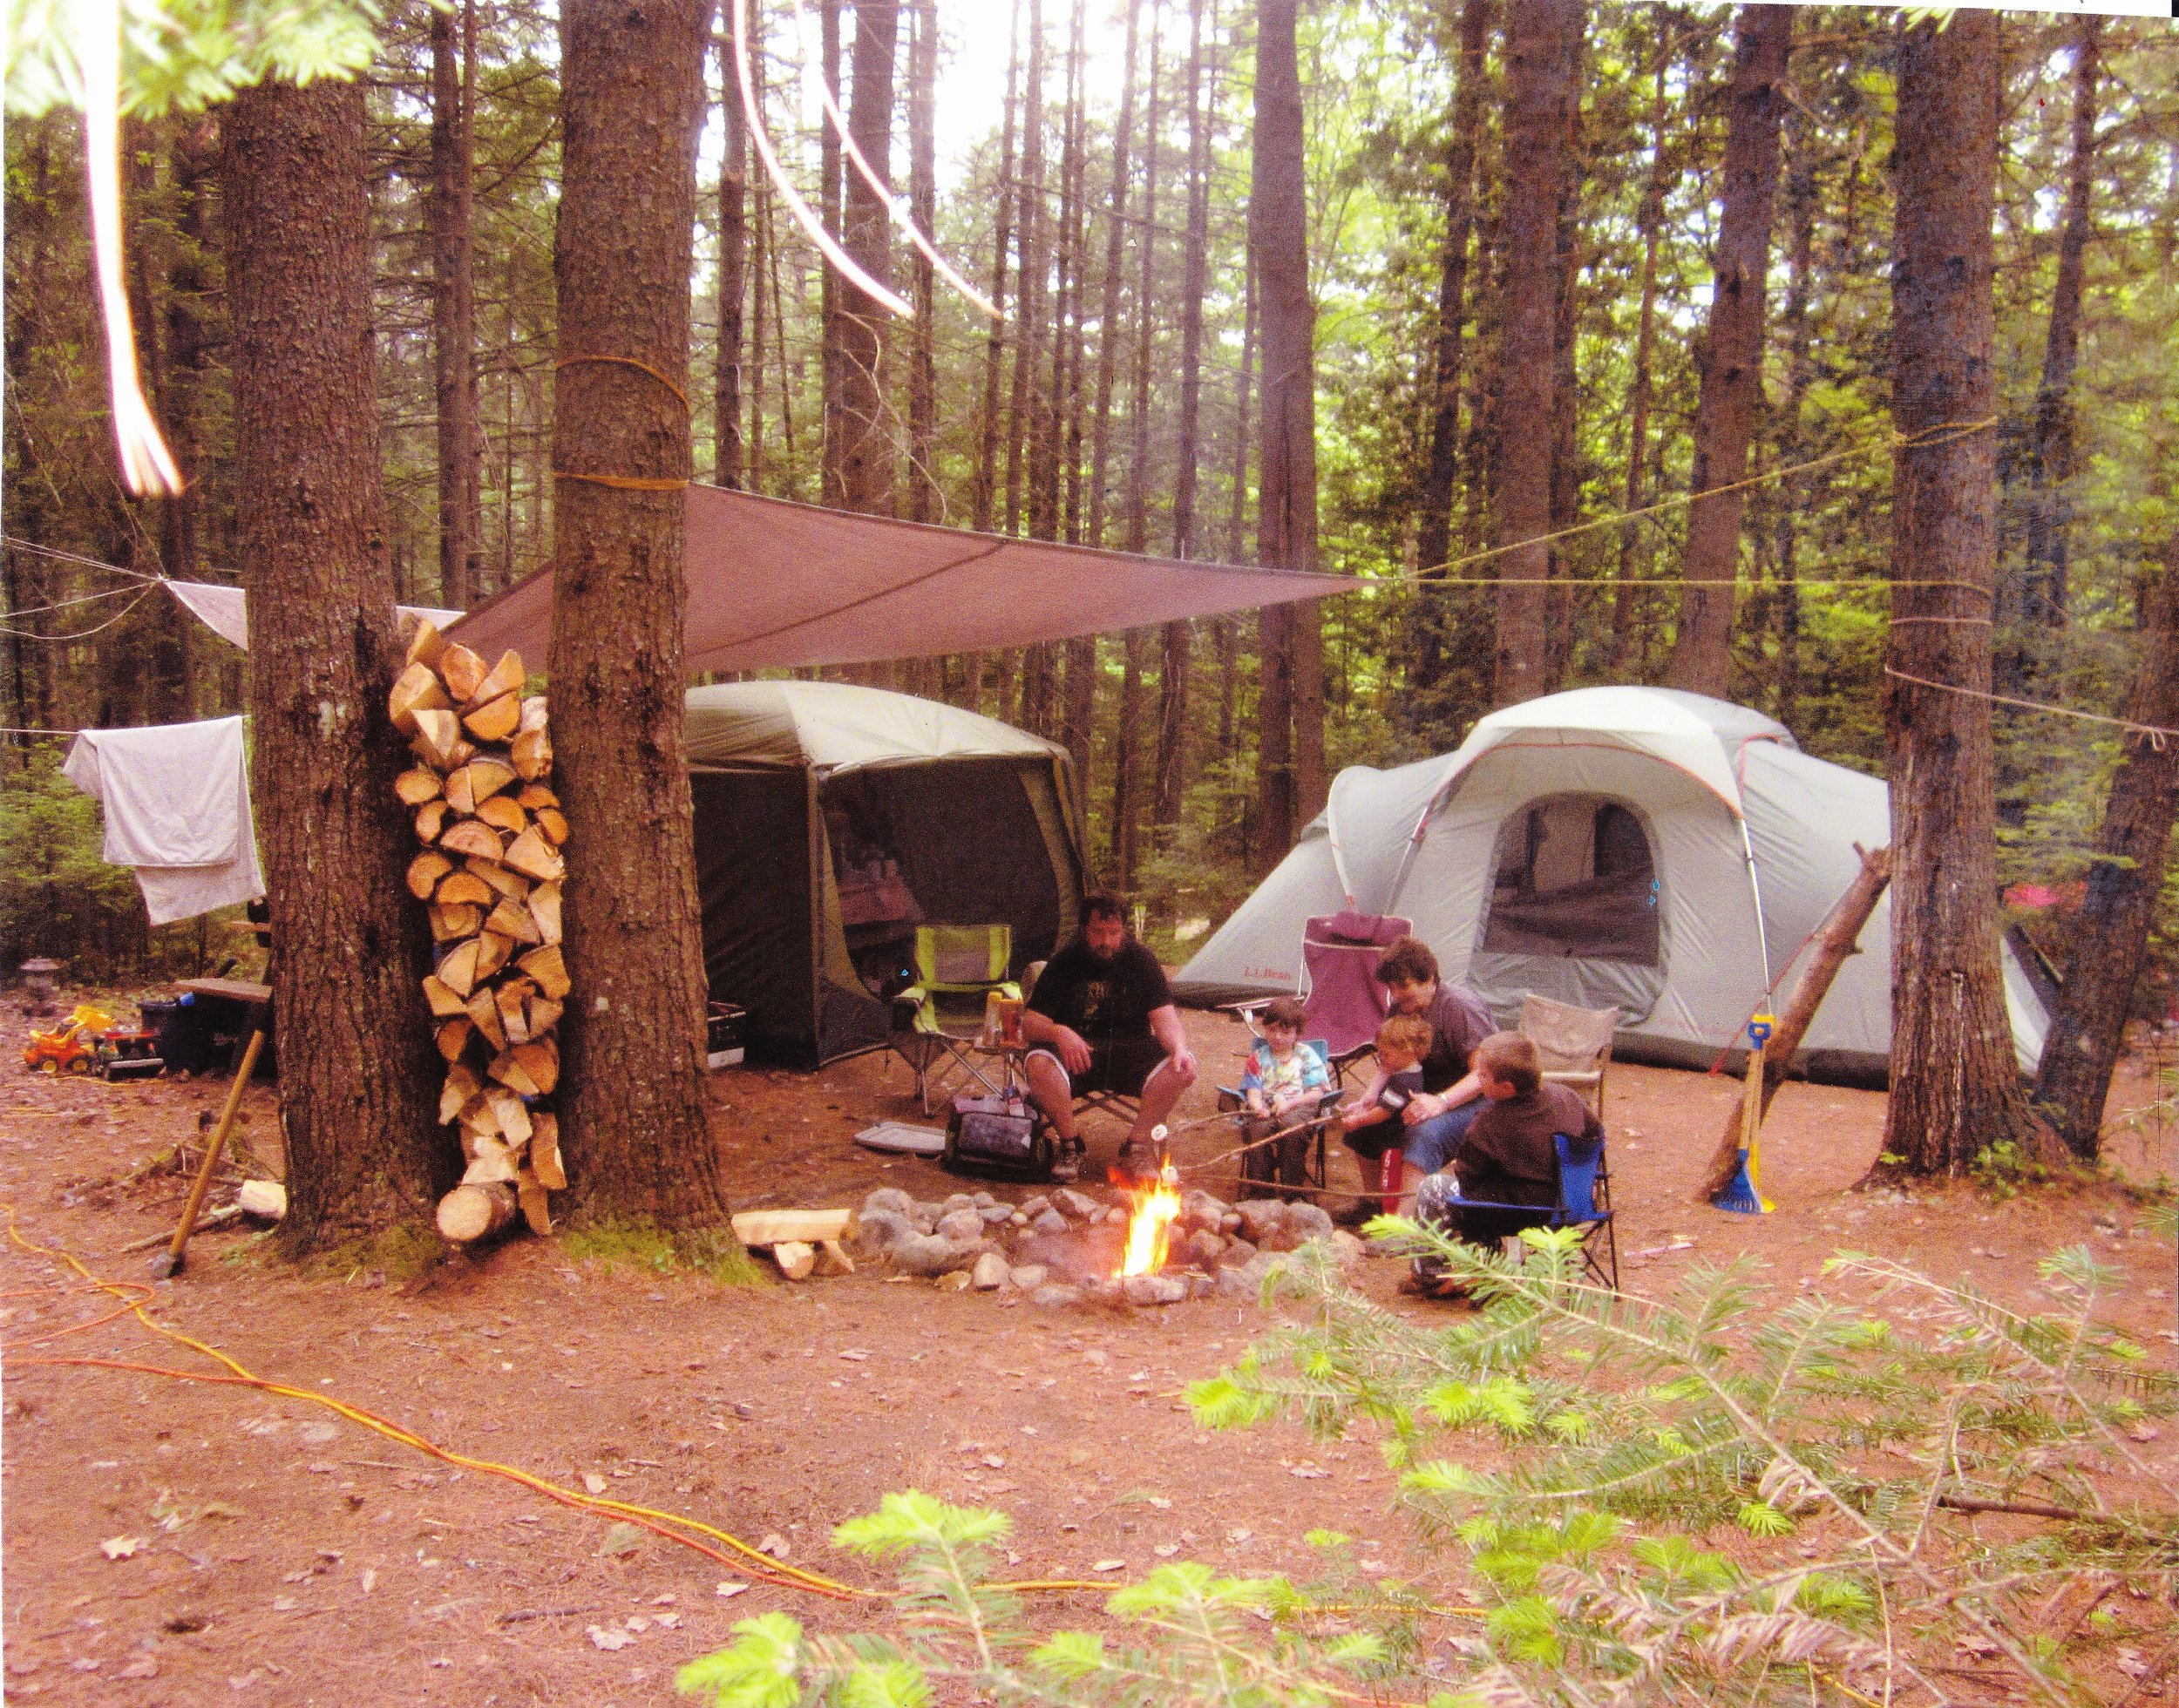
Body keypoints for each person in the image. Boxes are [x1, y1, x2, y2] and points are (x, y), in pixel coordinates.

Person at [1021, 891, 1199, 1182]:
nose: (1106, 941)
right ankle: (1070, 1144)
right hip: (1078, 1056)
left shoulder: (1142, 961)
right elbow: (1030, 1024)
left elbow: (1165, 1019)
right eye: (1098, 932)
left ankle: (1137, 1146)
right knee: (1038, 1062)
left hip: (1130, 1054)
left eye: (1114, 933)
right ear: (1083, 930)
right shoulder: (1065, 962)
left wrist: (1179, 1048)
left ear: (1124, 931)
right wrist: (1059, 1031)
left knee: (1184, 1067)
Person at [1410, 1031, 1599, 1298]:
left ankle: (1431, 1276)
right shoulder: (1567, 1098)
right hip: (1568, 1206)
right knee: (1489, 1192)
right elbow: (1595, 1135)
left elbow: (1467, 1178)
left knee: (1435, 1187)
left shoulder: (1490, 1122)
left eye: (1483, 1076)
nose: (1478, 1080)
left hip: (1511, 1214)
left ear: (1506, 1087)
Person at [1334, 936, 1494, 1220]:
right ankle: (1375, 1204)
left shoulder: (1458, 1008)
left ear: (1429, 978)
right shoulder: (1402, 1008)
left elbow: (1484, 1075)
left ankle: (1403, 1223)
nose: (1396, 994)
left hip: (1475, 1100)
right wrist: (1370, 1097)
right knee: (1366, 1125)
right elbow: (1390, 1059)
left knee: (1422, 1132)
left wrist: (1441, 1102)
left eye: (1403, 985)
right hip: (1422, 1091)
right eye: (1392, 987)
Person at [1334, 1013, 1433, 1217]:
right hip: (1383, 1130)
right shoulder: (1400, 1070)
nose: (1381, 1058)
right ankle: (1372, 1201)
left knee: (1389, 1175)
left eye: (1385, 1054)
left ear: (1408, 1052)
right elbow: (1379, 1101)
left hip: (1393, 1135)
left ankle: (1386, 1210)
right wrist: (1364, 1104)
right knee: (1360, 1139)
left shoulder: (1405, 1081)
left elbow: (1385, 1112)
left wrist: (1359, 1120)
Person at [1237, 996, 1331, 1198]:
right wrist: (1257, 1107)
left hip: (1301, 1104)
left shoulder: (1306, 1055)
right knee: (1257, 1130)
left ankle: (1292, 1191)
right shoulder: (1258, 1058)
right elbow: (1253, 1091)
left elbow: (1316, 1093)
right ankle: (1261, 1191)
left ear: (1297, 1033)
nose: (1277, 1037)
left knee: (1292, 1129)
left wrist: (1291, 1104)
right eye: (1272, 1030)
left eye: (1285, 1032)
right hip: (1267, 1105)